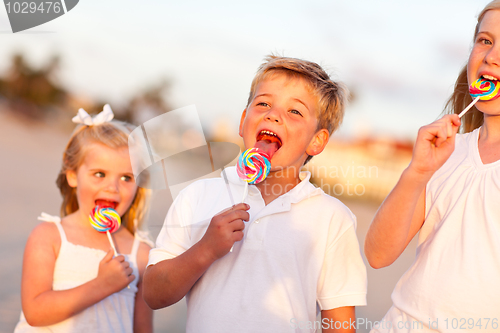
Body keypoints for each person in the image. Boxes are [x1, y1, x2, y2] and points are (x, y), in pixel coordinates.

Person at [143, 55, 367, 333]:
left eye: (295, 111)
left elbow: (340, 326)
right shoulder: (197, 196)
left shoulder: (331, 219)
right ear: (242, 121)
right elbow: (153, 294)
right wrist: (205, 250)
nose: (273, 115)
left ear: (316, 141)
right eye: (263, 103)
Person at [364, 1, 500, 332]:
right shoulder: (447, 153)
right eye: (485, 40)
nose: (492, 56)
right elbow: (378, 255)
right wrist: (417, 173)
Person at [14, 105, 153, 333]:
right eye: (99, 174)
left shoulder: (142, 254)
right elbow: (35, 313)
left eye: (127, 178)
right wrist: (102, 285)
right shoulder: (49, 237)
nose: (112, 187)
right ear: (72, 176)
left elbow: (143, 328)